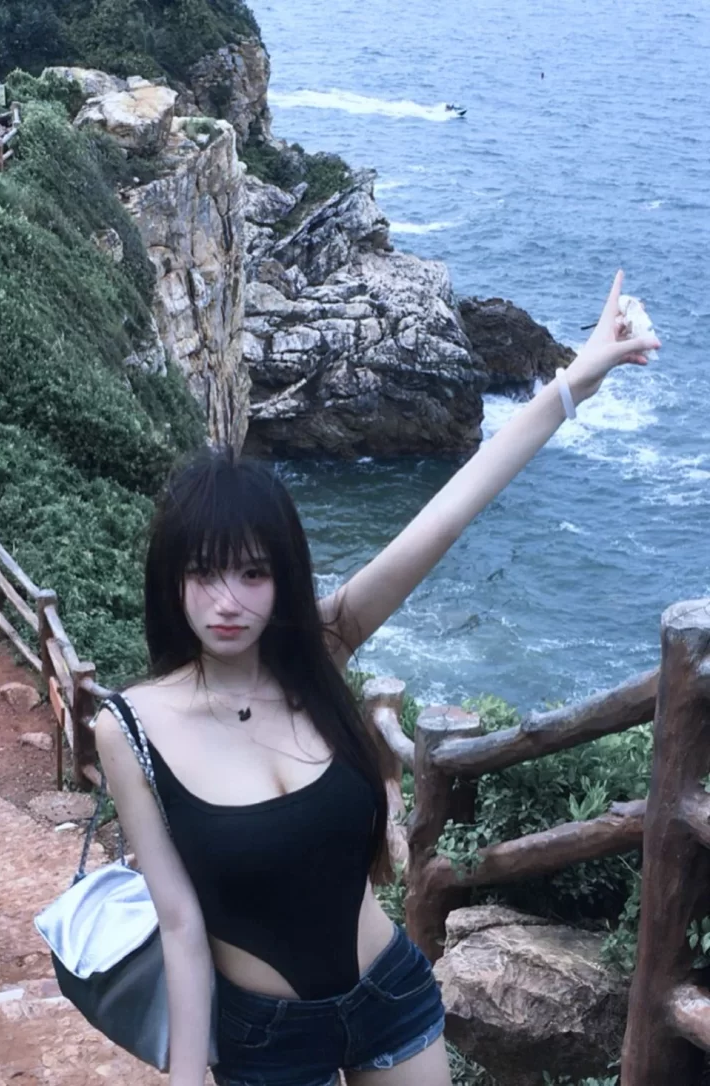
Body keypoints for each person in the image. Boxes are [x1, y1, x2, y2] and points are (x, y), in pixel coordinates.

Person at [93, 271, 660, 1086]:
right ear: (170, 582)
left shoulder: (319, 649)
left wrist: (576, 380)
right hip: (267, 1038)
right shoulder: (130, 728)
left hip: (389, 996)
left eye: (253, 574)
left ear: (283, 577)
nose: (227, 602)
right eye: (203, 574)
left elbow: (446, 515)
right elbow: (180, 925)